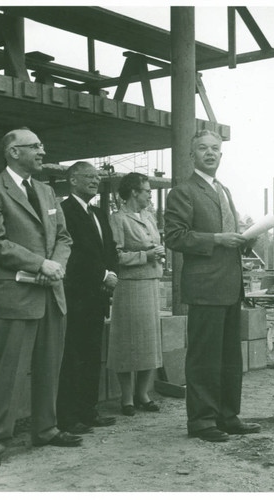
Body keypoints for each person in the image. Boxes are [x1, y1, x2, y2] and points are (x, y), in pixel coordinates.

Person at [0, 127, 78, 468]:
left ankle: (45, 429)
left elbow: (64, 237)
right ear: (13, 152)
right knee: (9, 371)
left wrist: (57, 266)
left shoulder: (48, 191)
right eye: (34, 146)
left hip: (51, 292)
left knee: (50, 366)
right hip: (17, 295)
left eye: (42, 144)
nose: (42, 151)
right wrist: (40, 263)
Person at [164, 129, 261, 442]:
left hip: (231, 286)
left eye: (215, 149)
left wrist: (246, 240)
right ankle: (203, 422)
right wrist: (217, 239)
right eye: (203, 148)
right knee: (204, 358)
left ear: (222, 154)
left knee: (230, 357)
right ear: (192, 154)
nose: (210, 153)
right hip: (205, 288)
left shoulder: (224, 190)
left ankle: (228, 416)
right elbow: (175, 237)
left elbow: (228, 233)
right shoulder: (183, 191)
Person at [56, 161, 118, 434]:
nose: (95, 181)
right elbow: (73, 254)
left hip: (98, 296)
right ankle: (68, 417)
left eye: (97, 177)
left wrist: (111, 274)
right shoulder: (64, 211)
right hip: (77, 295)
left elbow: (109, 248)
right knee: (74, 356)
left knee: (93, 354)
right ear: (72, 181)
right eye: (89, 177)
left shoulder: (98, 212)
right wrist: (101, 276)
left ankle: (88, 410)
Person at [107, 173, 164, 416]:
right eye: (147, 191)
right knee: (127, 343)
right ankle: (127, 398)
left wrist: (158, 253)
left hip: (150, 282)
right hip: (129, 286)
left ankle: (143, 393)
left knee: (149, 343)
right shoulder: (118, 219)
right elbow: (115, 256)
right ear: (134, 192)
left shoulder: (149, 217)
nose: (150, 195)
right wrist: (145, 256)